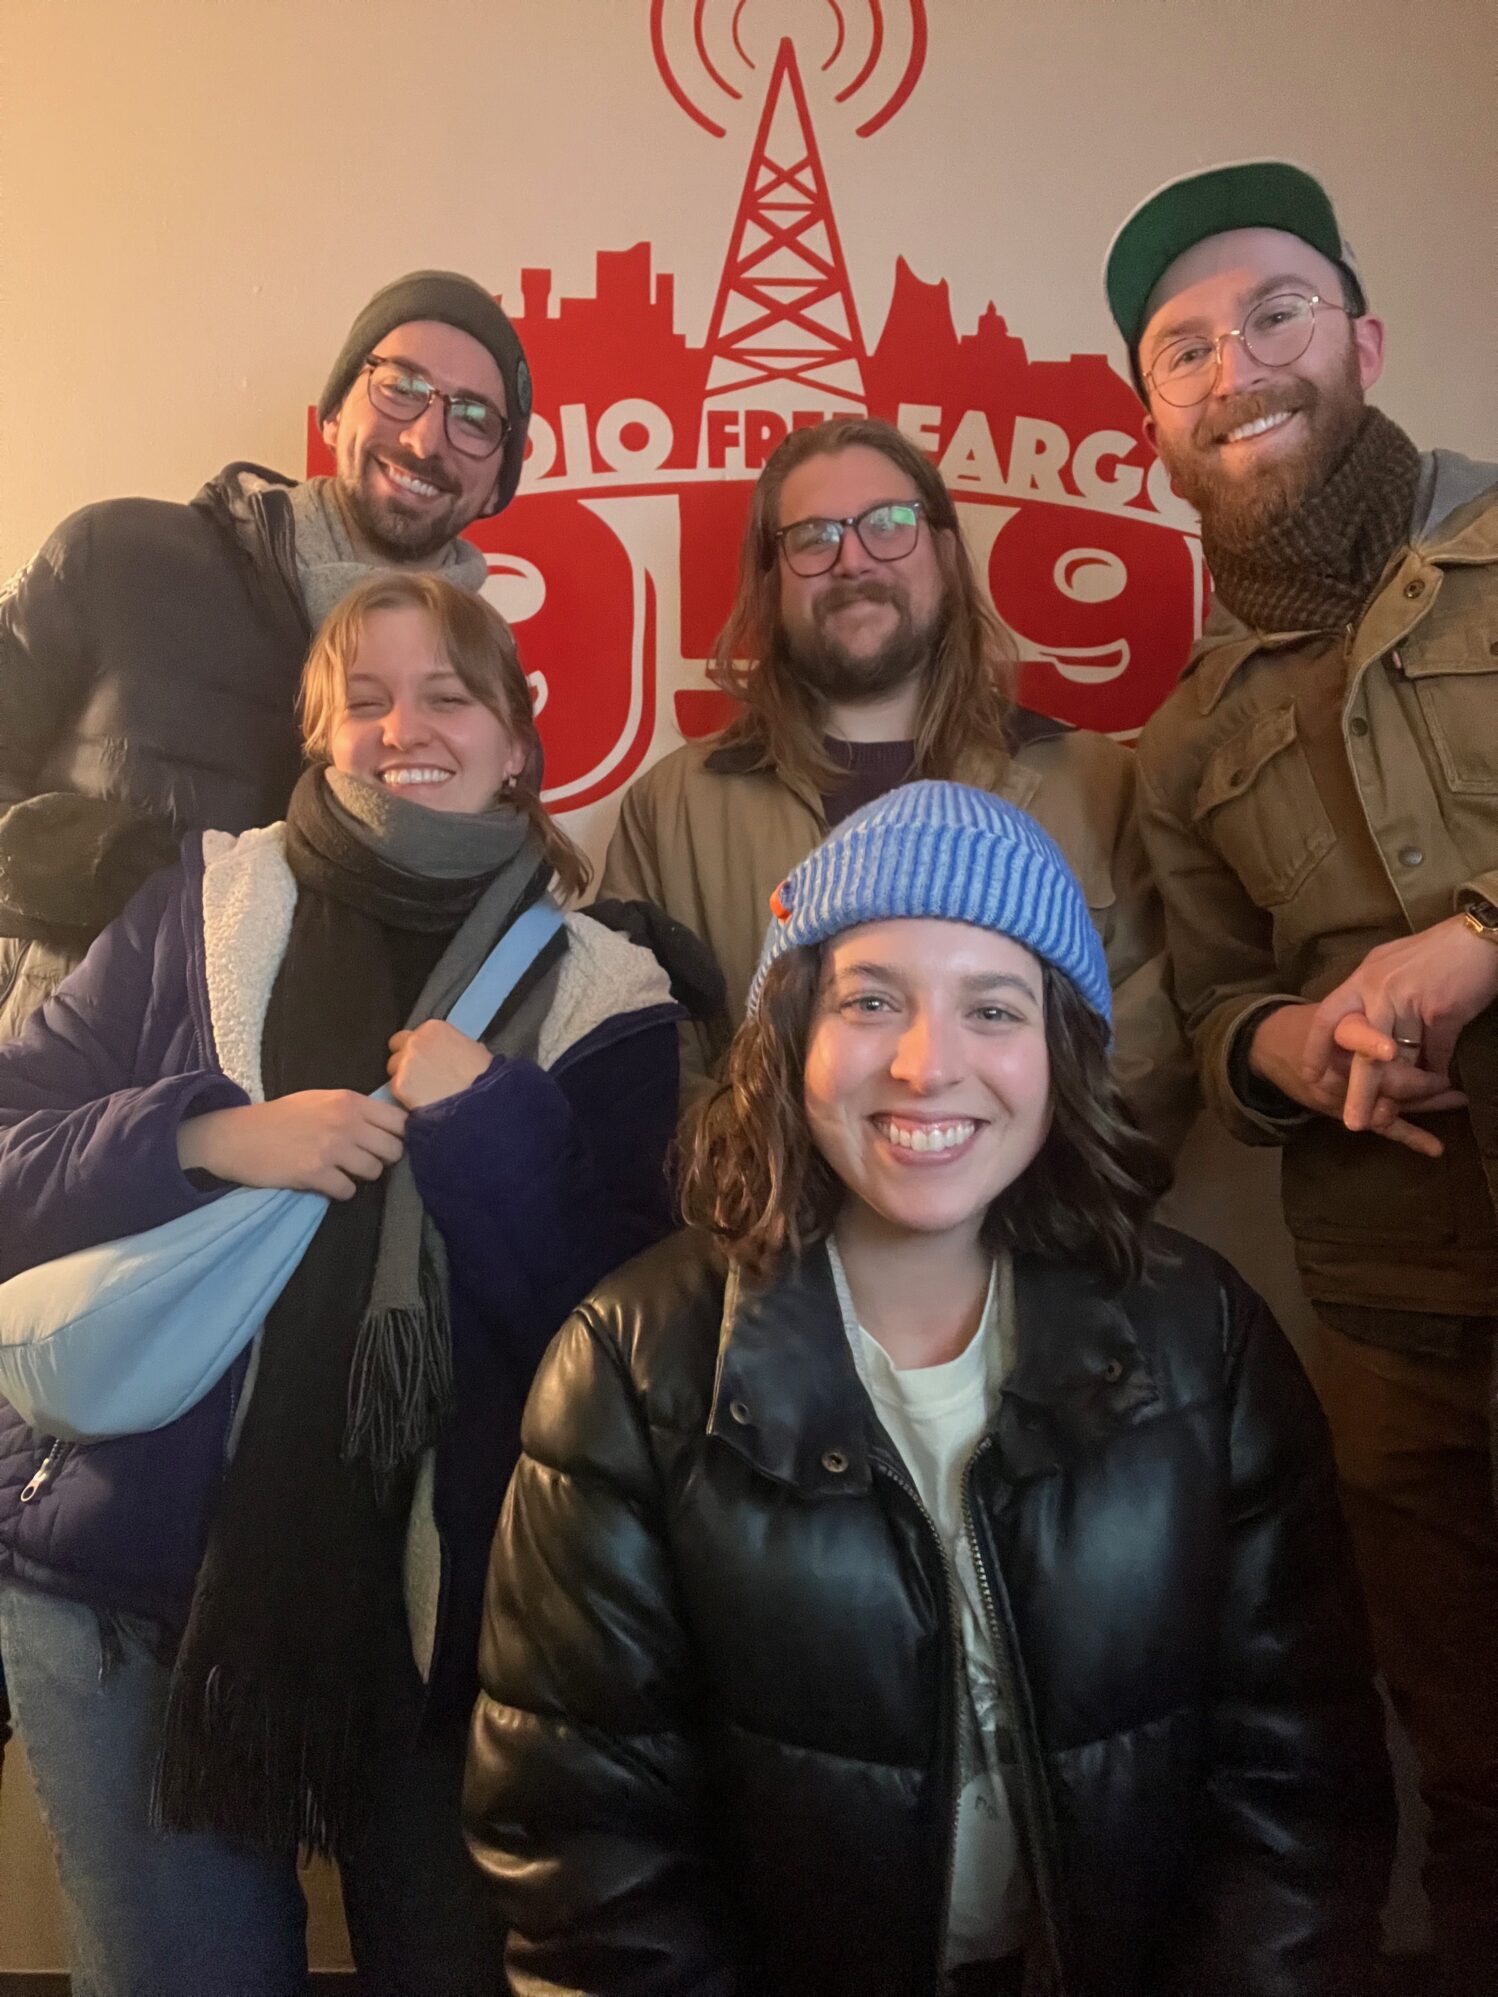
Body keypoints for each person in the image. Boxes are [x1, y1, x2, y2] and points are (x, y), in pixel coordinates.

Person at [467, 781, 1394, 1997]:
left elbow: (1297, 1794)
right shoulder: (629, 1364)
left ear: (1059, 1052)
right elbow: (584, 1858)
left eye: (991, 1006)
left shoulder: (1202, 1337)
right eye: (870, 999)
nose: (925, 1063)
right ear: (790, 1033)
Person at [0, 572, 681, 1996]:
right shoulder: (201, 907)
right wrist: (200, 1135)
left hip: (462, 1635)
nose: (402, 726)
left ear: (516, 740)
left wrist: (488, 1122)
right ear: (318, 740)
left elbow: (621, 1335)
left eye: (446, 693)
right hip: (132, 1592)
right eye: (361, 699)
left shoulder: (610, 990)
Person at [1109, 159, 1498, 1987]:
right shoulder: (1186, 733)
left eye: (1269, 313)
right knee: (1473, 1769)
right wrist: (1289, 1043)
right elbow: (1208, 1009)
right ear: (1154, 418)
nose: (1231, 363)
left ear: (1358, 333)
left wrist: (1477, 934)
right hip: (1394, 1306)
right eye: (1180, 348)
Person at [600, 415, 1193, 1153]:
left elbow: (1157, 1031)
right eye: (812, 538)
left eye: (888, 524)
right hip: (764, 1251)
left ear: (944, 552)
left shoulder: (1099, 784)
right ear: (771, 579)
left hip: (1047, 1250)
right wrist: (776, 1185)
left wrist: (990, 1180)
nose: (852, 559)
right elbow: (637, 1060)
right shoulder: (672, 808)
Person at [0, 268, 531, 1042]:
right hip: (74, 1102)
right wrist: (61, 862)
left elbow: (483, 902)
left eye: (475, 417)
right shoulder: (120, 555)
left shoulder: (489, 681)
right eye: (401, 387)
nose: (426, 438)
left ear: (496, 481)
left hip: (323, 1123)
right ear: (334, 408)